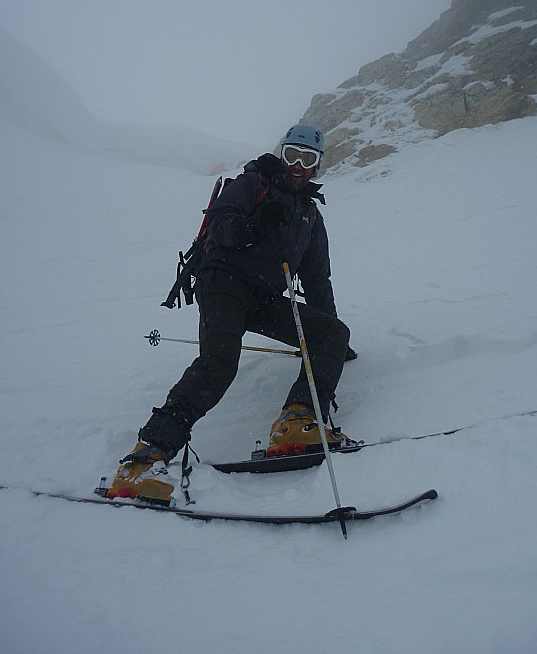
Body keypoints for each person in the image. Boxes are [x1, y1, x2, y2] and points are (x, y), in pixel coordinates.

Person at [108, 123, 357, 503]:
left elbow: (317, 278)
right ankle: (143, 459)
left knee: (334, 333)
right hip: (223, 280)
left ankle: (298, 421)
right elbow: (219, 223)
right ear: (282, 154)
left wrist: (330, 340)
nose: (298, 166)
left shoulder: (309, 217)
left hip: (263, 296)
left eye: (308, 159)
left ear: (318, 166)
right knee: (220, 363)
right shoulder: (254, 182)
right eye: (292, 155)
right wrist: (255, 224)